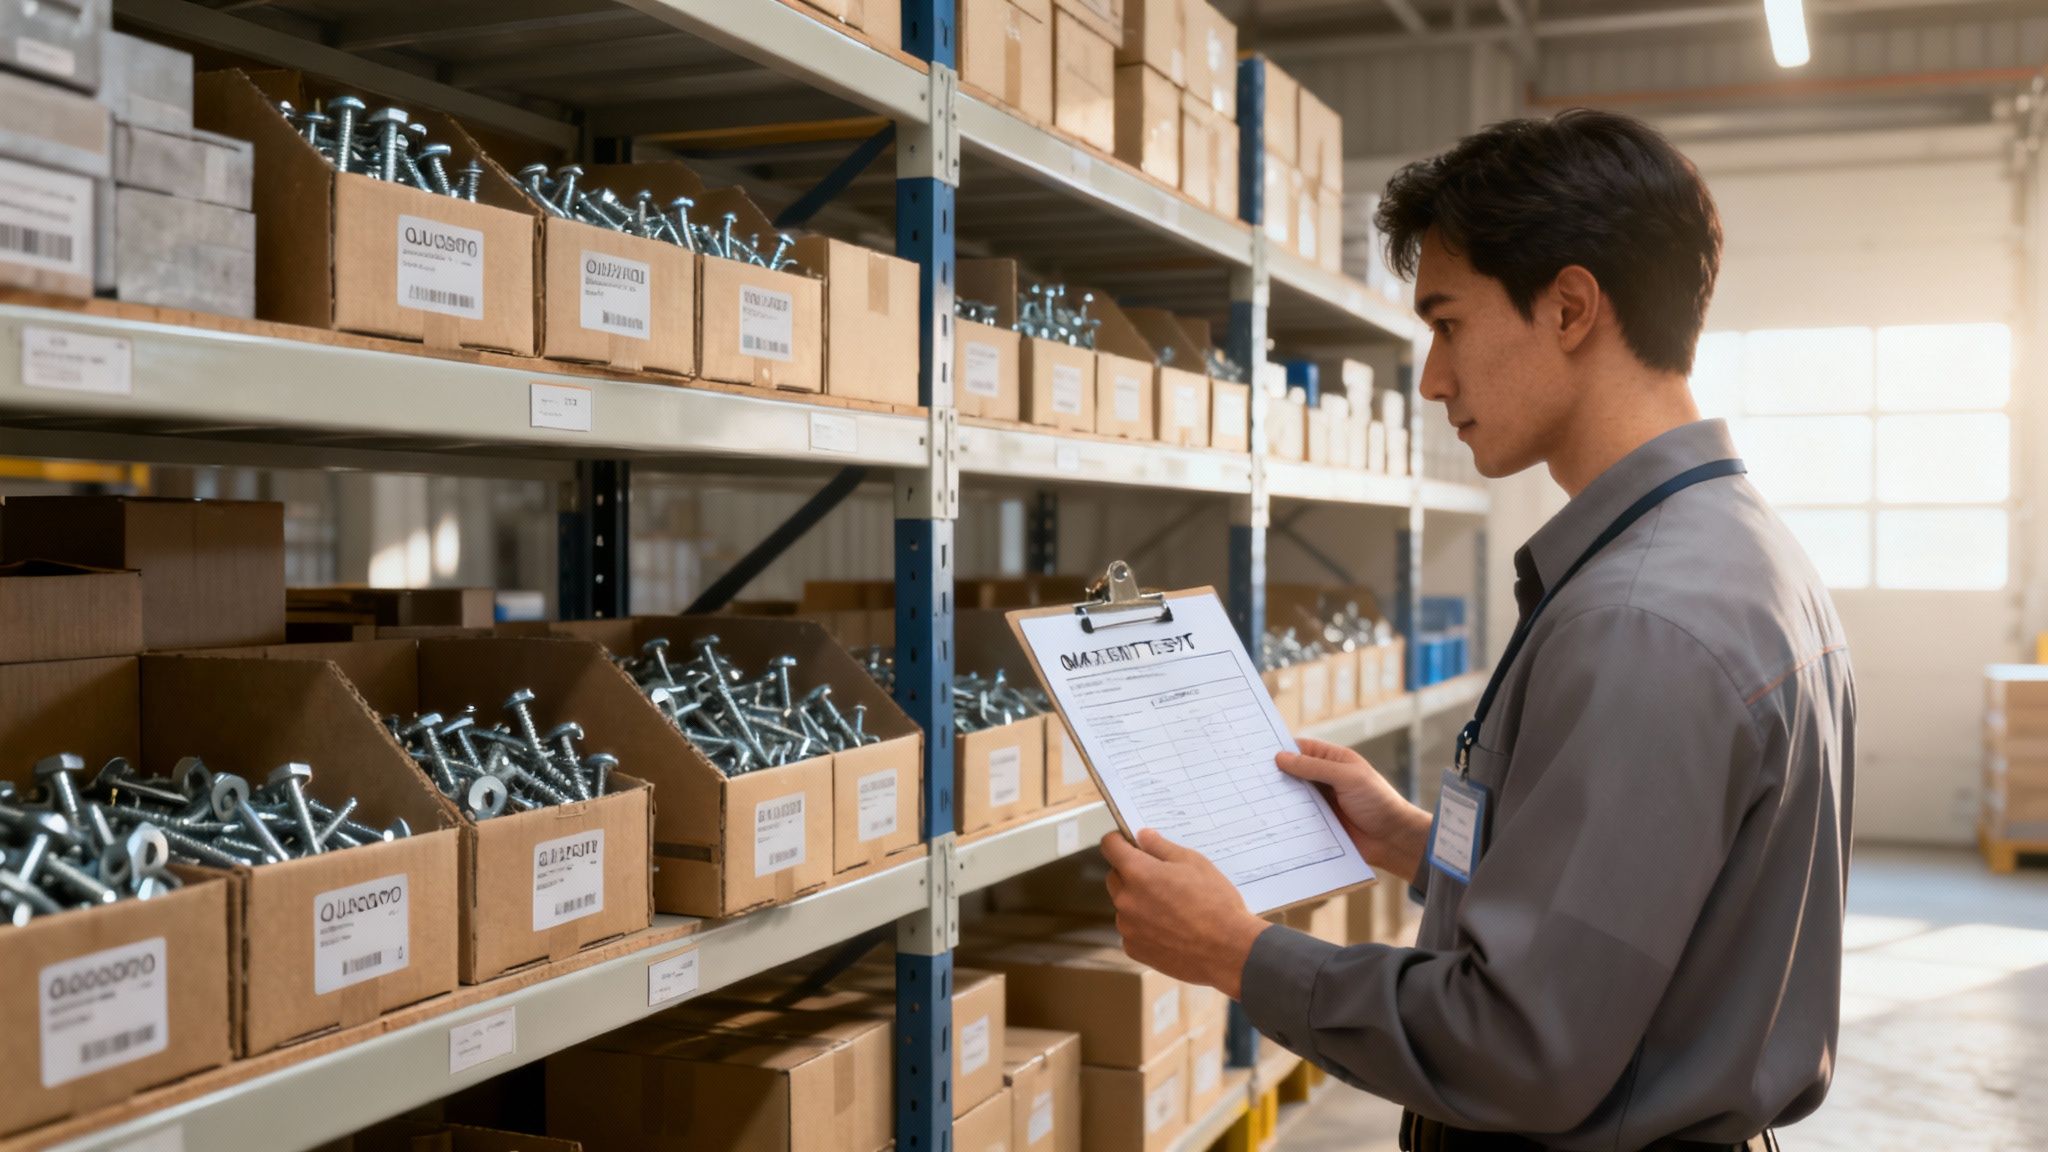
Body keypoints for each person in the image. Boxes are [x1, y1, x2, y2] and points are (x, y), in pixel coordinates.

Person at [1098, 108, 1855, 1152]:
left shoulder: (1641, 621)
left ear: (1569, 306)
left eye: (1447, 323)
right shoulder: (1734, 553)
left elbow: (1519, 1045)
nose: (1431, 379)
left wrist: (1237, 953)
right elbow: (1649, 892)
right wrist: (1417, 843)